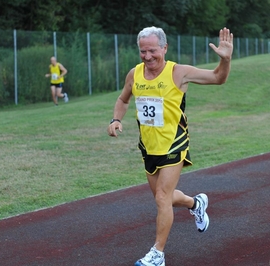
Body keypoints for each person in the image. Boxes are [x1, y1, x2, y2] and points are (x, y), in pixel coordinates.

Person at [107, 26, 233, 266]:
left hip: (174, 144)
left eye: (152, 50)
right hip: (149, 147)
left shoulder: (179, 72)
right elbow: (123, 99)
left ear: (164, 48)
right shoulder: (135, 74)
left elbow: (218, 78)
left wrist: (225, 60)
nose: (147, 56)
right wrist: (116, 119)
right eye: (143, 51)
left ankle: (157, 254)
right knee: (162, 198)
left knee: (163, 198)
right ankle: (196, 203)